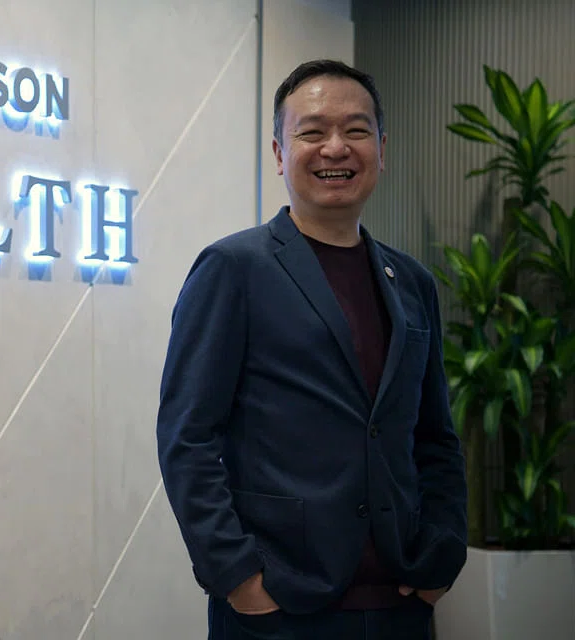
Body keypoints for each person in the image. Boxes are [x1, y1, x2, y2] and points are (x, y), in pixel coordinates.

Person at [155, 59, 468, 639]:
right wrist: (238, 578)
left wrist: (443, 554)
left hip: (402, 604)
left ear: (381, 149)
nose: (336, 148)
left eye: (356, 130)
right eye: (312, 132)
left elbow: (434, 438)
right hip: (282, 608)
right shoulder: (233, 268)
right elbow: (187, 437)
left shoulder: (413, 282)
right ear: (280, 153)